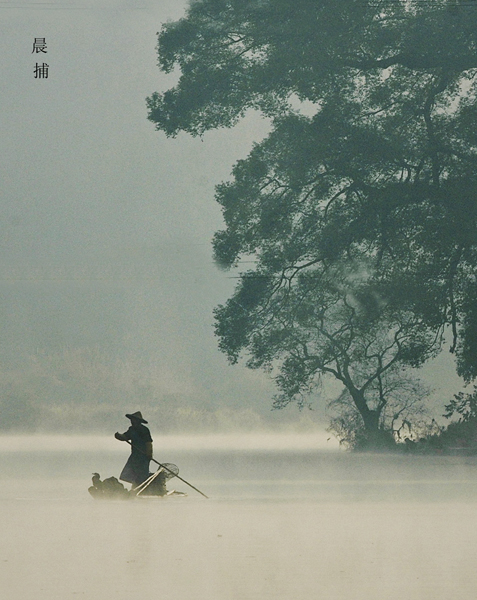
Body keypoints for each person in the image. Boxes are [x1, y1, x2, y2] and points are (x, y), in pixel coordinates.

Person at [115, 411, 153, 488]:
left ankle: (141, 487)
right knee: (126, 474)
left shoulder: (144, 430)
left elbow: (148, 443)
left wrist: (149, 454)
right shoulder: (131, 429)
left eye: (134, 420)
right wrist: (119, 436)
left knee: (142, 475)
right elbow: (125, 436)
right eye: (131, 420)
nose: (132, 421)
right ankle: (135, 485)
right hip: (135, 455)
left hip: (143, 456)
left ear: (138, 421)